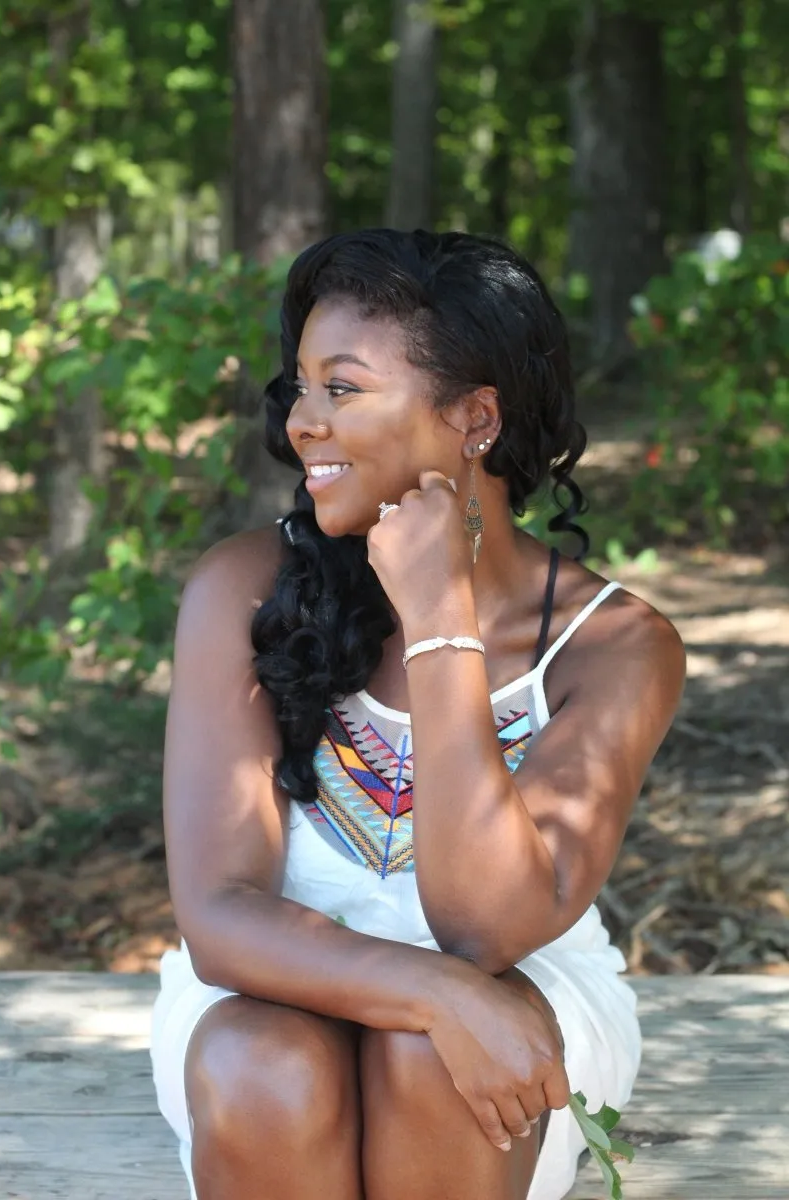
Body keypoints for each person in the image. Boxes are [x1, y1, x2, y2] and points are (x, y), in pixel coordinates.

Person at [150, 228, 685, 1200]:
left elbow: (486, 932)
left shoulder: (614, 646)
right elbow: (220, 918)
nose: (302, 422)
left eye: (342, 388)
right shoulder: (241, 590)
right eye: (301, 387)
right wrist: (427, 990)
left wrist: (439, 618)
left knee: (434, 1064)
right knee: (264, 1065)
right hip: (264, 994)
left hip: (521, 996)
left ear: (473, 417)